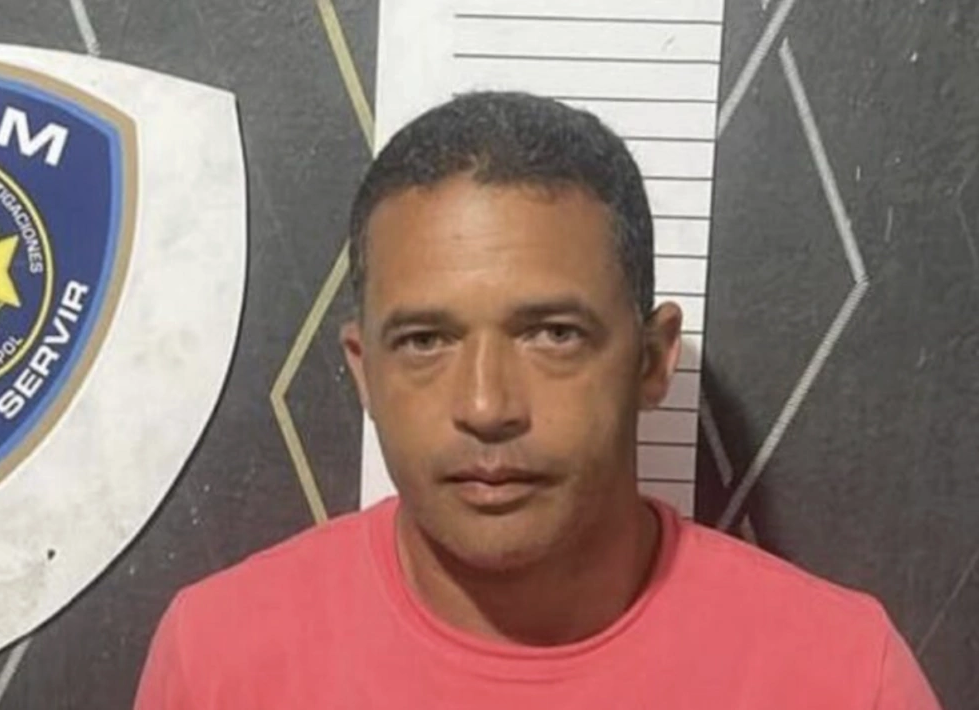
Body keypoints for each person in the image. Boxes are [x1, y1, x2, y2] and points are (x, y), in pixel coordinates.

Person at [134, 91, 941, 708]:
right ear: (363, 370)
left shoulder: (842, 676)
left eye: (553, 334)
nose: (487, 406)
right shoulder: (218, 661)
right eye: (425, 341)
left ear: (652, 359)